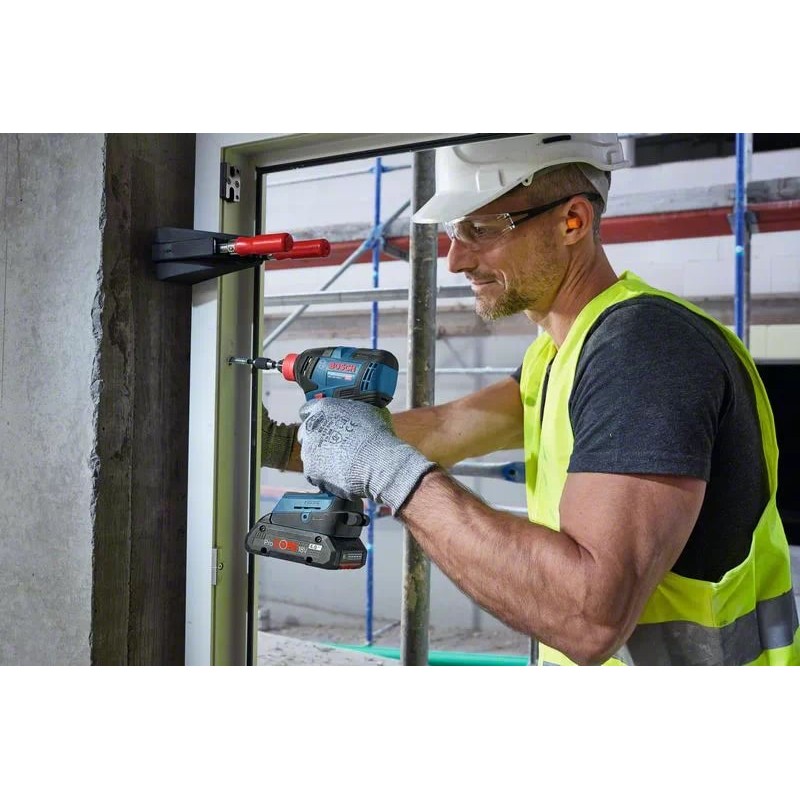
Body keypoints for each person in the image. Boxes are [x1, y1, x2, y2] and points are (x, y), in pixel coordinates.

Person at [263, 133, 799, 666]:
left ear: (573, 221)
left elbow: (589, 618)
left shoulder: (644, 348)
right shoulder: (560, 352)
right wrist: (287, 445)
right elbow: (450, 428)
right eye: (454, 232)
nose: (456, 260)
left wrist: (388, 471)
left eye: (481, 229)